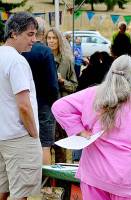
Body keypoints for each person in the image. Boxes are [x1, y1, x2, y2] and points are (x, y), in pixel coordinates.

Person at [52, 55, 131, 199]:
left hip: (94, 174)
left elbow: (59, 107)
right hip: (127, 179)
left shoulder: (93, 94)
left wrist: (80, 131)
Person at [0, 12, 42, 200]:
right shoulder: (16, 60)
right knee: (20, 195)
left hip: (3, 136)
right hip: (18, 136)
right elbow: (24, 105)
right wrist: (33, 133)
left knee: (2, 190)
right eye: (30, 34)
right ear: (14, 34)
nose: (34, 39)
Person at [22, 17, 59, 165]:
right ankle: (45, 184)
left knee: (26, 144)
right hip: (44, 104)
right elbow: (52, 84)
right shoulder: (45, 52)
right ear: (42, 33)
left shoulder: (20, 51)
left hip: (24, 102)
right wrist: (54, 102)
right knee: (45, 145)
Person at [45, 28, 78, 163]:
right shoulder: (42, 57)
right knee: (46, 144)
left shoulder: (67, 60)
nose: (51, 41)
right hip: (45, 106)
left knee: (60, 145)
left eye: (54, 38)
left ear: (59, 40)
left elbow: (75, 85)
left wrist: (63, 81)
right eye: (49, 38)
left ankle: (61, 182)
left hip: (61, 107)